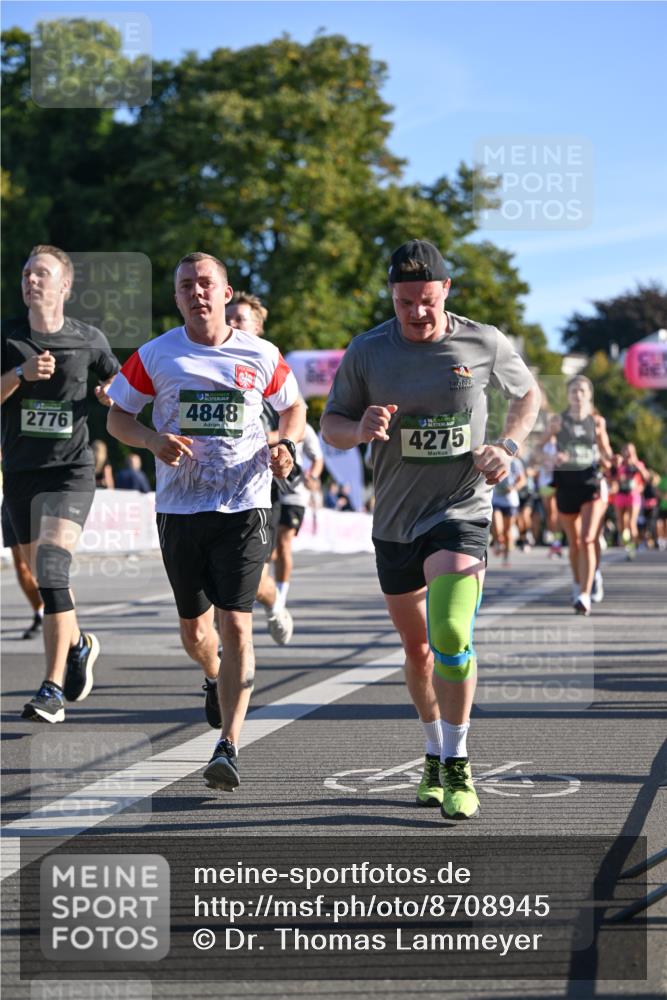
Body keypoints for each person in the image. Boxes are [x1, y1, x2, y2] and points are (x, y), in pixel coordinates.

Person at [321, 238, 540, 821]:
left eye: (425, 300)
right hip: (394, 521)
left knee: (449, 634)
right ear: (391, 297)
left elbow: (528, 395)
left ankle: (460, 762)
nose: (416, 313)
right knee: (417, 652)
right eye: (403, 302)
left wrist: (508, 446)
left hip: (461, 511)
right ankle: (432, 751)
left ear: (447, 291)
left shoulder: (483, 340)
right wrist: (359, 426)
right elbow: (331, 426)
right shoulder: (368, 351)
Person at [107, 252, 306, 792]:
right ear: (176, 297)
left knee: (235, 622)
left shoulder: (261, 353)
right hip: (180, 508)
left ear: (225, 292)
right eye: (186, 285)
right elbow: (116, 415)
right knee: (197, 632)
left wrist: (284, 442)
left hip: (244, 504)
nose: (197, 292)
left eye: (206, 284)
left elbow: (294, 408)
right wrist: (150, 438)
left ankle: (229, 745)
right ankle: (213, 677)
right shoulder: (155, 355)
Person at [1, 244, 119, 722]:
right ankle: (80, 643)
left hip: (70, 472)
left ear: (65, 285)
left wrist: (112, 394)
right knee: (36, 577)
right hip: (22, 473)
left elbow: (125, 388)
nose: (31, 279)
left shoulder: (88, 339)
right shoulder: (7, 335)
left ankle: (51, 691)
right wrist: (19, 374)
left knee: (51, 569)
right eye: (27, 272)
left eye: (42, 273)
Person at [226, 291, 297, 643]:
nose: (232, 324)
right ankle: (223, 658)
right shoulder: (207, 365)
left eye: (239, 319)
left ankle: (274, 603)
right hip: (209, 487)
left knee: (248, 578)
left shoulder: (268, 365)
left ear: (258, 327)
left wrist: (266, 439)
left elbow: (295, 417)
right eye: (229, 319)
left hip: (260, 487)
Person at [551, 376, 613, 615]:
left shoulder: (597, 422)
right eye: (573, 391)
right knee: (575, 543)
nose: (578, 395)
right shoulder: (558, 421)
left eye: (582, 391)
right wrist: (551, 458)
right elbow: (539, 448)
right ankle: (580, 582)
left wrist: (610, 460)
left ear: (589, 395)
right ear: (568, 395)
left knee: (588, 538)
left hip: (591, 483)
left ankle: (585, 595)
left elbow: (606, 451)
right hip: (566, 484)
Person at [274, 421, 324, 612]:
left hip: (294, 493)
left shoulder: (304, 427)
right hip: (268, 492)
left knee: (284, 540)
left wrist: (314, 476)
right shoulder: (266, 421)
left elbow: (317, 458)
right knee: (270, 551)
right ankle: (267, 589)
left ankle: (281, 594)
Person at [2, 498, 44, 638]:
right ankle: (40, 612)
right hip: (12, 498)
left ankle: (59, 611)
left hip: (39, 496)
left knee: (45, 567)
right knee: (21, 566)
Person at [609, 442, 648, 559]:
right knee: (621, 524)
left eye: (630, 451)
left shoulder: (638, 464)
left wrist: (637, 465)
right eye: (626, 450)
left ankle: (632, 548)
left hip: (633, 495)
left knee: (631, 523)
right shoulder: (619, 465)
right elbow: (612, 478)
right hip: (620, 495)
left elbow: (646, 477)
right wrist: (618, 477)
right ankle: (628, 544)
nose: (628, 453)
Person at [491, 457, 526, 566]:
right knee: (497, 526)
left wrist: (513, 487)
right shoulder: (494, 459)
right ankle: (498, 541)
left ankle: (506, 556)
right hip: (496, 498)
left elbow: (522, 480)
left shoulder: (515, 462)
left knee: (507, 531)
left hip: (510, 501)